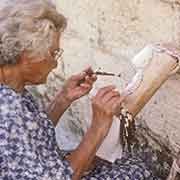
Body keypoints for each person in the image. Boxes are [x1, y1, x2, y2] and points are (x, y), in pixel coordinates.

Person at [0, 0, 159, 179]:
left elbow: (29, 134)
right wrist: (98, 126)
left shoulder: (11, 87)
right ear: (26, 54)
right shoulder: (6, 108)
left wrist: (63, 99)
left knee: (127, 164)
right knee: (135, 172)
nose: (55, 63)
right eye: (53, 53)